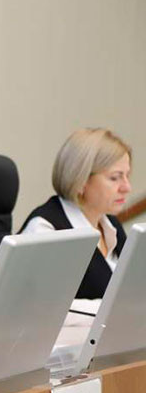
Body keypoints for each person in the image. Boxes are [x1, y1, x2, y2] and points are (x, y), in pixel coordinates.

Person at [20, 128, 132, 299]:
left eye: (127, 176)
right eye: (115, 177)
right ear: (81, 180)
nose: (127, 187)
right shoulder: (46, 231)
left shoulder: (111, 225)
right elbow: (39, 306)